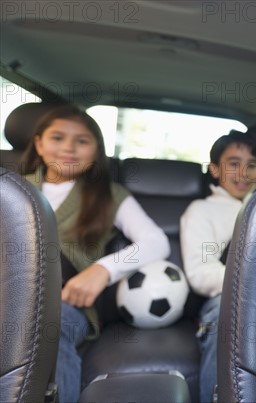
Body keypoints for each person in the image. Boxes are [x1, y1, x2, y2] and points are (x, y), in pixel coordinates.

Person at [20, 105, 170, 403]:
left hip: (67, 305)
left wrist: (103, 269)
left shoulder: (109, 195)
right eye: (58, 137)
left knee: (50, 326)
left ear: (96, 150)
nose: (69, 149)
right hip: (10, 298)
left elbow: (156, 242)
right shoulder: (15, 188)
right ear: (38, 143)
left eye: (82, 141)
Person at [180, 131, 256, 403]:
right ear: (214, 169)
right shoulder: (201, 210)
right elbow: (201, 274)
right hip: (223, 300)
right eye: (234, 163)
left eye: (251, 165)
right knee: (226, 320)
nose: (244, 172)